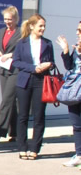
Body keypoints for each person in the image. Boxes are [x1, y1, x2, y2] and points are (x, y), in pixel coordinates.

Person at [11, 14, 55, 160]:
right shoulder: (21, 43)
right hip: (24, 81)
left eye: (44, 26)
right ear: (32, 26)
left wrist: (48, 64)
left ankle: (35, 148)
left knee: (39, 116)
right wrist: (33, 68)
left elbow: (52, 62)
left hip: (41, 82)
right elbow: (16, 62)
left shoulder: (48, 43)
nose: (43, 28)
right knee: (23, 116)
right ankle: (22, 147)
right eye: (40, 26)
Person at [0, 5, 21, 143]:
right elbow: (0, 48)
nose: (7, 22)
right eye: (5, 19)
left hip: (15, 70)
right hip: (3, 69)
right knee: (9, 101)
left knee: (6, 100)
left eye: (10, 19)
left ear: (16, 19)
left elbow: (22, 51)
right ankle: (14, 133)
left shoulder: (21, 32)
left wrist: (11, 55)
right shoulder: (2, 31)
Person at [57, 21, 81, 167]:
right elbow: (69, 67)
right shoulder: (77, 47)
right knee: (76, 124)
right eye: (77, 30)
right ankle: (79, 155)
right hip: (74, 89)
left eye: (80, 30)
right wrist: (66, 51)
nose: (77, 33)